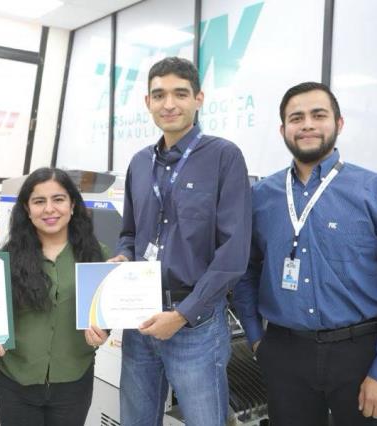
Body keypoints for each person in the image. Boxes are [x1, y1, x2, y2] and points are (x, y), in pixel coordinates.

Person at [233, 81, 377, 426]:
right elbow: (244, 270)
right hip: (284, 354)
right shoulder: (260, 197)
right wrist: (256, 337)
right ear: (283, 129)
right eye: (296, 118)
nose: (307, 124)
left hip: (361, 355)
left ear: (338, 124)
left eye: (318, 115)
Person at [111, 56, 252, 426]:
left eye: (180, 94)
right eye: (159, 95)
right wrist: (123, 257)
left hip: (196, 324)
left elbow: (233, 253)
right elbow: (129, 234)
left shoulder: (224, 157)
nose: (169, 104)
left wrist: (182, 314)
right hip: (140, 318)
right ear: (148, 102)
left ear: (198, 99)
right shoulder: (139, 163)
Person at [0, 167, 110, 426]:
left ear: (72, 205)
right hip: (16, 381)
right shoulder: (5, 259)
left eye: (58, 199)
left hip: (73, 381)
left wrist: (103, 331)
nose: (49, 209)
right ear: (27, 209)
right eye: (39, 201)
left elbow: (105, 315)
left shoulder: (97, 255)